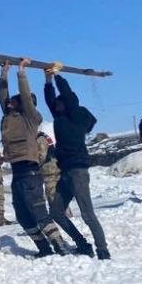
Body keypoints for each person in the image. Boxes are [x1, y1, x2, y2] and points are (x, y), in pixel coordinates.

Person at [0, 59, 69, 256]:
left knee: (38, 211)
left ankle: (60, 244)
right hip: (17, 172)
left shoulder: (31, 117)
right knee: (22, 214)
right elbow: (2, 96)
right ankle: (44, 248)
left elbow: (25, 98)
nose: (10, 102)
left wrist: (21, 72)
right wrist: (4, 73)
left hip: (30, 170)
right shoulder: (9, 118)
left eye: (15, 101)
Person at [44, 69, 110, 259]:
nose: (56, 105)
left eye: (59, 103)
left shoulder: (76, 115)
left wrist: (57, 76)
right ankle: (82, 244)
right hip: (65, 171)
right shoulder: (60, 118)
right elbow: (50, 99)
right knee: (57, 212)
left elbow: (68, 95)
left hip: (78, 171)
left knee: (87, 213)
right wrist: (47, 78)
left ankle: (103, 250)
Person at [37, 132, 61, 206]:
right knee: (57, 191)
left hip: (48, 169)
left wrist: (36, 166)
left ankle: (57, 212)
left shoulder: (40, 140)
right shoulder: (46, 137)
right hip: (54, 166)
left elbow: (42, 156)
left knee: (51, 191)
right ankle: (64, 212)